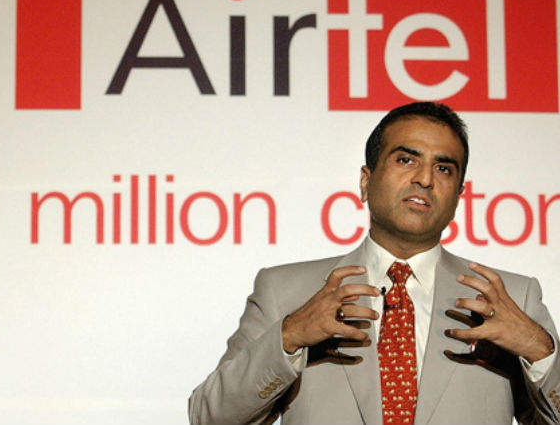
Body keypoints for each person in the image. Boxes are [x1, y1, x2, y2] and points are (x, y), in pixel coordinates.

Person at [188, 102, 560, 425]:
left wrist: (540, 350)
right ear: (366, 181)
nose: (424, 179)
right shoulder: (285, 291)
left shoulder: (510, 298)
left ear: (459, 196)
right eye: (406, 159)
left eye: (444, 169)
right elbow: (209, 417)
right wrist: (289, 336)